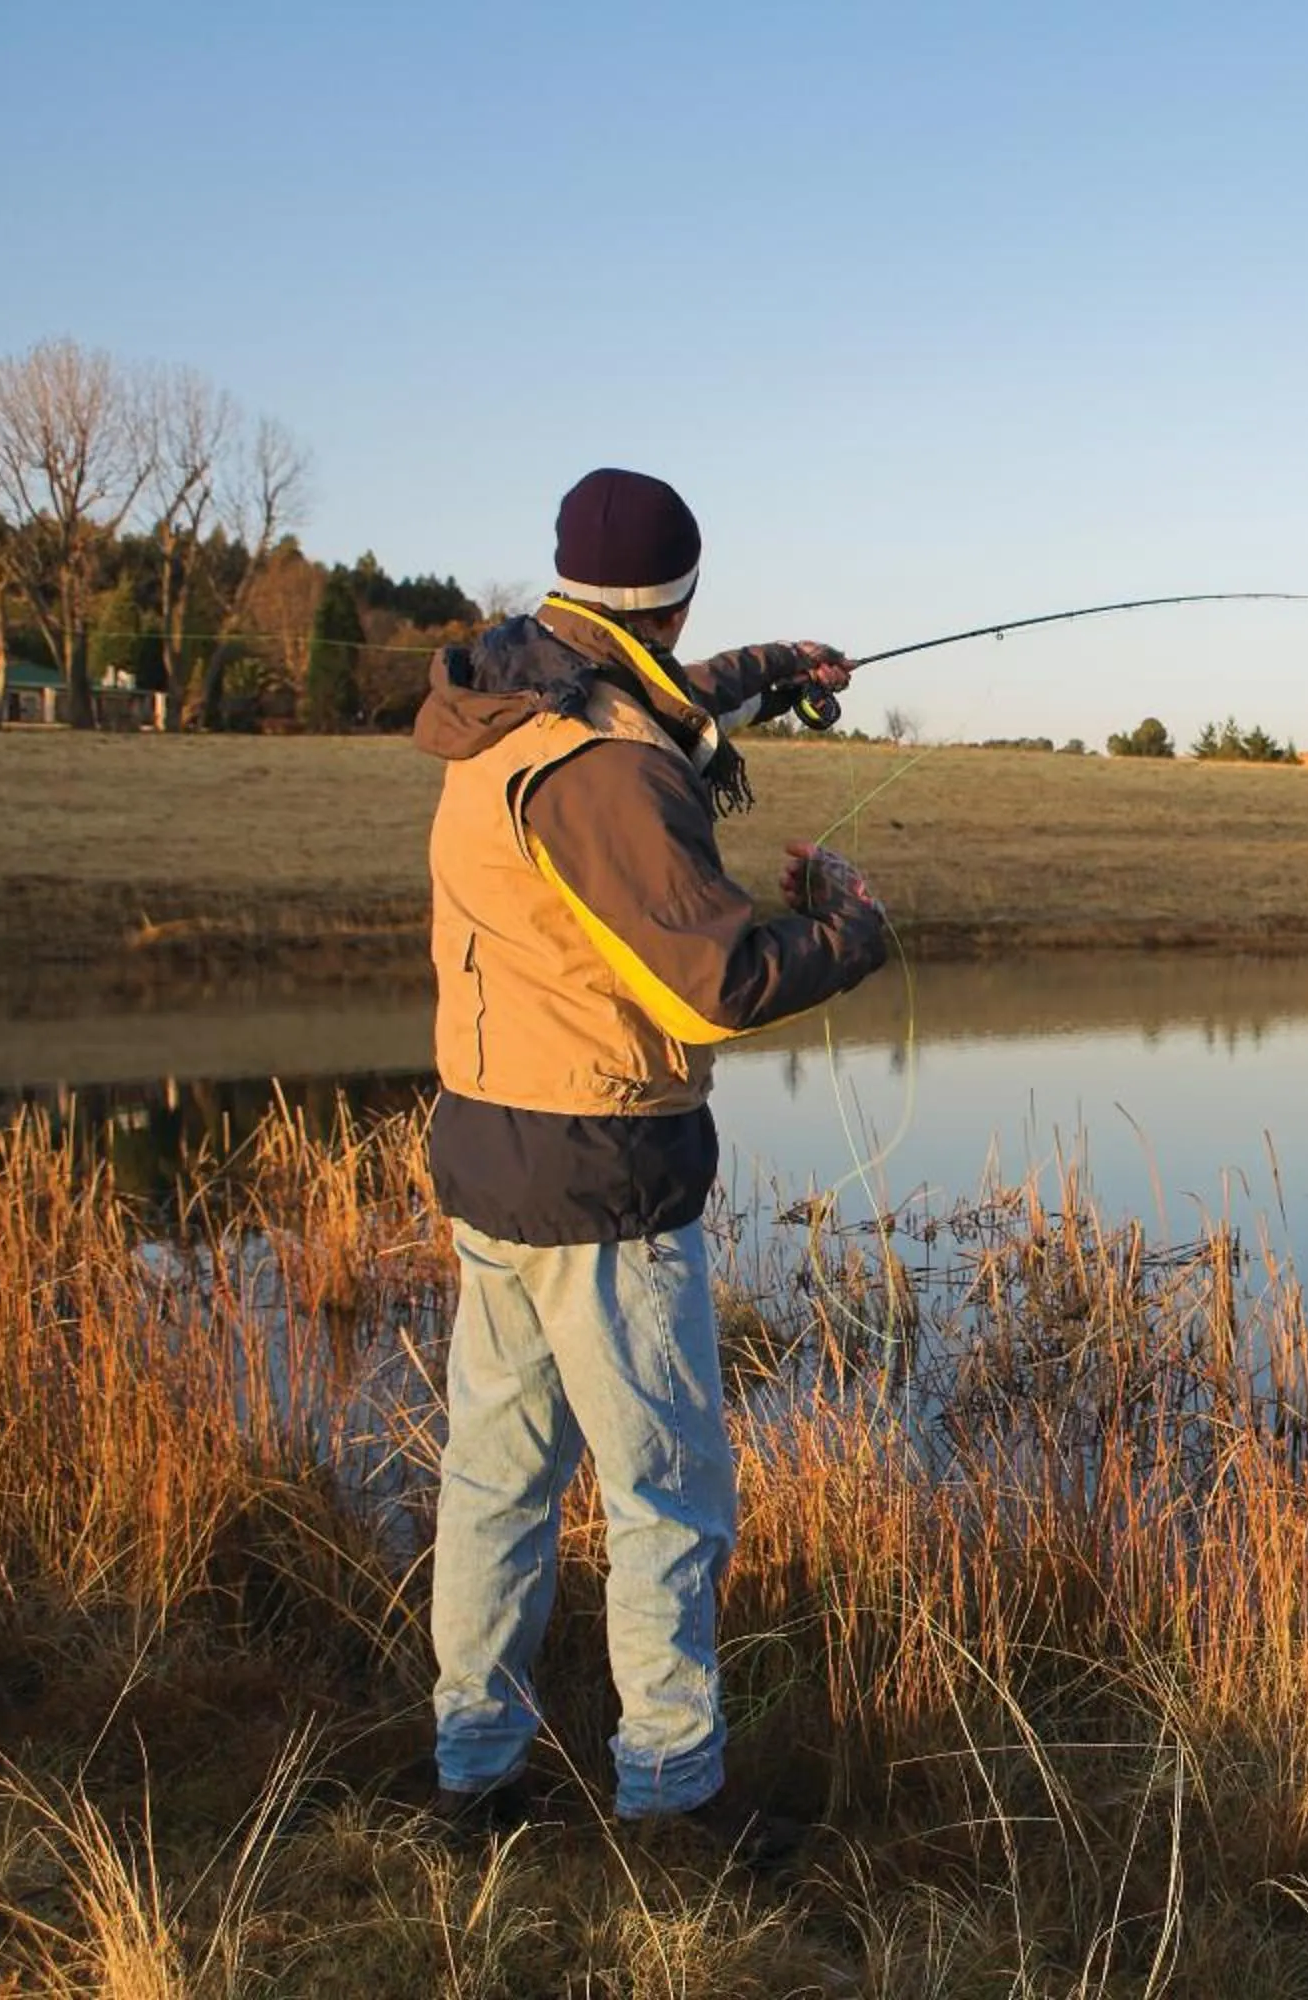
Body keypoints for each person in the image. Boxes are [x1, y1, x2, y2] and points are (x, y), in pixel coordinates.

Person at [411, 466, 888, 1855]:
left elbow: (643, 689)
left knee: (495, 1486)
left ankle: (473, 1777)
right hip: (601, 1171)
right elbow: (714, 984)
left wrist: (771, 669)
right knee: (667, 1500)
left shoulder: (516, 687)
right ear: (678, 594)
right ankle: (674, 1802)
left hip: (494, 1143)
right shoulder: (610, 765)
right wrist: (849, 931)